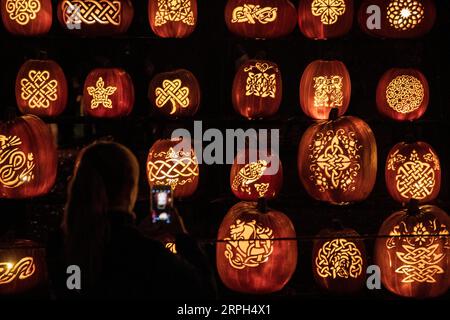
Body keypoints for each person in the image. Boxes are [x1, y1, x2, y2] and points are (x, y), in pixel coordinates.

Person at [60, 141, 216, 299]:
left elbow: (75, 290)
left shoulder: (61, 247)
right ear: (130, 189)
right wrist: (182, 237)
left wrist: (137, 234)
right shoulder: (148, 255)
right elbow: (204, 293)